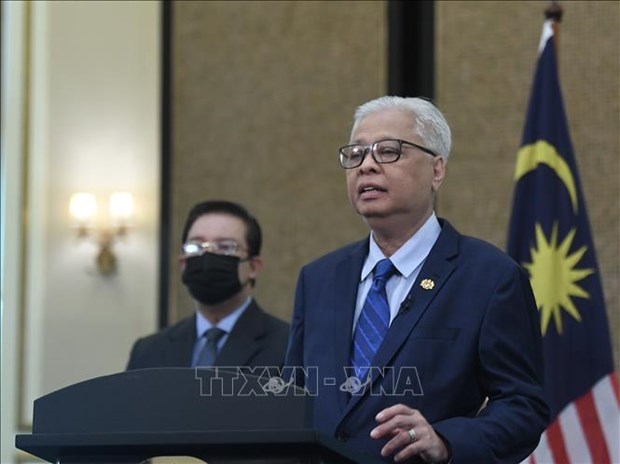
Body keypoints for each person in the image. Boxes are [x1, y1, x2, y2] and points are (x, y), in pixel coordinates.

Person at [285, 96, 549, 463]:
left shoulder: (490, 278)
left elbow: (524, 406)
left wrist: (445, 440)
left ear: (437, 170)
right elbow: (293, 398)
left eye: (388, 151)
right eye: (356, 154)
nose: (367, 166)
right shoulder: (318, 279)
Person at [127, 200, 289, 370]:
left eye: (225, 246)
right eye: (196, 246)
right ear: (183, 263)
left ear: (254, 267)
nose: (208, 256)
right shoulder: (148, 351)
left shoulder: (289, 346)